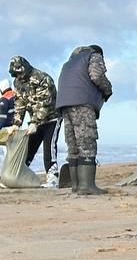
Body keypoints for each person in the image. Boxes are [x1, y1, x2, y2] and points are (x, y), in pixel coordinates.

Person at [56, 45, 113, 195]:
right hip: (82, 103)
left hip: (64, 104)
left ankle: (76, 186)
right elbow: (97, 76)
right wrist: (108, 89)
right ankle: (87, 186)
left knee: (73, 145)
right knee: (87, 142)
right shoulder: (93, 55)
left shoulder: (69, 63)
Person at [8, 56, 58, 174]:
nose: (19, 77)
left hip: (52, 117)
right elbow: (20, 103)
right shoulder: (18, 82)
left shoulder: (42, 78)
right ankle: (19, 174)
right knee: (28, 147)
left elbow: (45, 103)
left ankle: (53, 176)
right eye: (16, 74)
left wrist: (34, 122)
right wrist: (16, 123)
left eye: (20, 73)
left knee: (49, 148)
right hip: (35, 121)